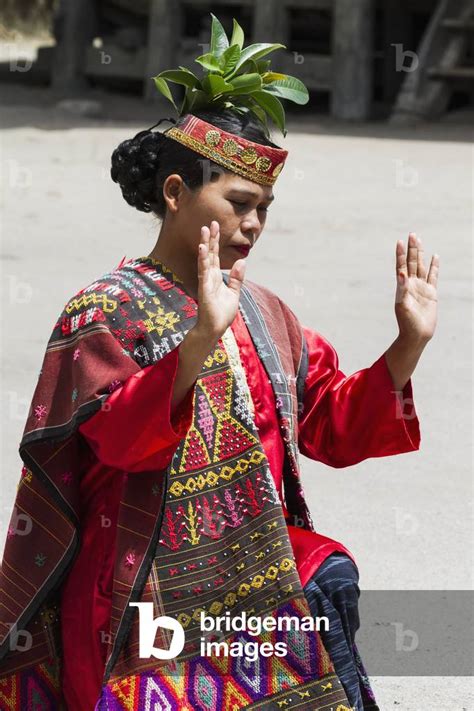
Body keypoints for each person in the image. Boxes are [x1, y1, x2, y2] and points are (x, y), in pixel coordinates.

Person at [0, 28, 439, 711]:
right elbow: (118, 442)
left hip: (250, 580)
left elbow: (335, 427)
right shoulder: (105, 310)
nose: (254, 223)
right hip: (139, 597)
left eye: (264, 207)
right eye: (237, 202)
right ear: (176, 191)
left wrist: (406, 344)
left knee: (325, 573)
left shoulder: (263, 312)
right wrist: (200, 338)